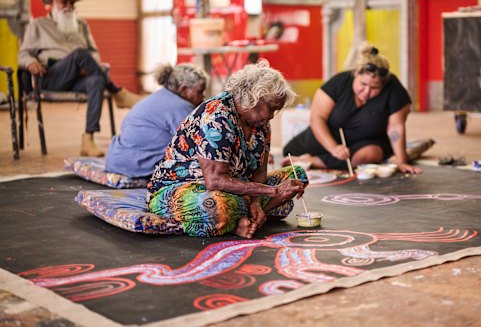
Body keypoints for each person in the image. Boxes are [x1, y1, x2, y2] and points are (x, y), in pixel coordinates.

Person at [147, 60, 307, 239]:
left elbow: (260, 171)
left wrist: (256, 202)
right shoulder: (217, 116)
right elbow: (214, 181)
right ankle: (234, 221)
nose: (271, 116)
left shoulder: (260, 124)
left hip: (236, 187)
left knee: (296, 176)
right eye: (270, 108)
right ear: (252, 98)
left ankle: (245, 215)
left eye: (275, 111)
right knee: (215, 206)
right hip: (185, 187)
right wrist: (274, 192)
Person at [18, 0, 143, 157]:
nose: (69, 6)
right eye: (64, 2)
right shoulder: (37, 25)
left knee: (97, 80)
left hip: (78, 76)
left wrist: (89, 66)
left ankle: (88, 139)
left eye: (72, 3)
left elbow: (94, 54)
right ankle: (117, 92)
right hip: (50, 76)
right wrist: (31, 62)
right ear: (52, 3)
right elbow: (23, 54)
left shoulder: (81, 26)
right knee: (79, 54)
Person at [283, 44, 422, 174]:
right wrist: (333, 148)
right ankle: (312, 158)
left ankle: (313, 161)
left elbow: (396, 128)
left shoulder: (393, 88)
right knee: (289, 152)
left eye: (374, 88)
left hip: (368, 143)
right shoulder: (339, 82)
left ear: (383, 84)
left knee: (369, 155)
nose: (366, 91)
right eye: (363, 84)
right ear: (356, 74)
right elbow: (317, 118)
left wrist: (402, 162)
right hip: (327, 139)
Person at [105, 64, 209, 178]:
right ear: (183, 89)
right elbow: (196, 143)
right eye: (200, 91)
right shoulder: (180, 106)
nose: (203, 97)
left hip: (116, 160)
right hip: (137, 165)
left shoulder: (158, 97)